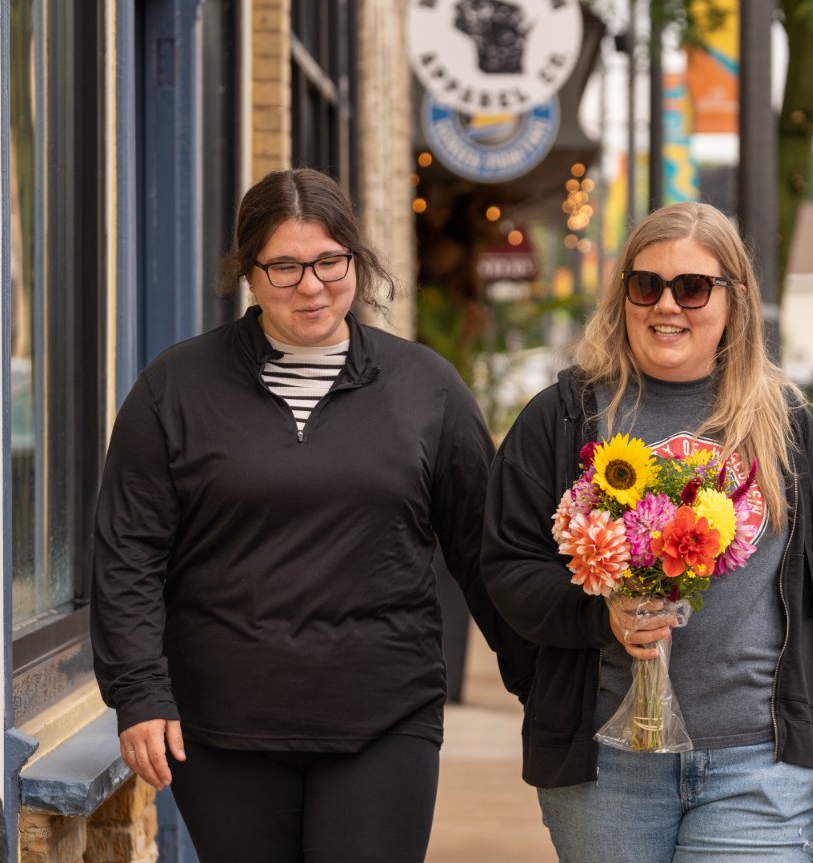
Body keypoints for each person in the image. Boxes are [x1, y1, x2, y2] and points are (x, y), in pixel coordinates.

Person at [91, 168, 534, 863]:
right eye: (285, 267)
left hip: (386, 717)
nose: (311, 285)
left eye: (330, 262)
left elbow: (485, 552)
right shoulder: (175, 387)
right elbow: (128, 552)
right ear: (247, 271)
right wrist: (139, 693)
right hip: (224, 725)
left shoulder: (425, 388)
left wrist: (540, 679)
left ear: (356, 259)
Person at [482, 202, 813, 862]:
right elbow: (507, 568)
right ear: (624, 298)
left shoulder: (783, 425)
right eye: (646, 285)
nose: (667, 305)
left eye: (692, 287)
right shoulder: (566, 418)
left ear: (735, 300)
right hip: (609, 769)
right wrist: (598, 618)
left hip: (761, 766)